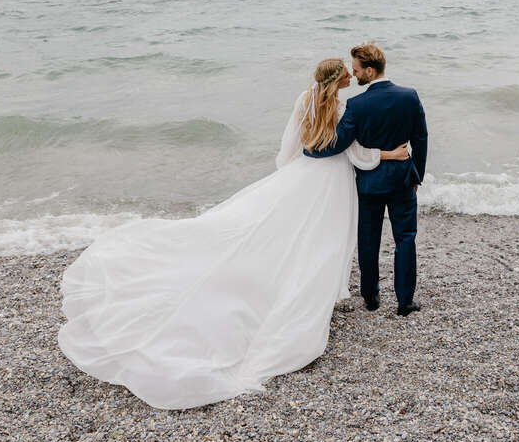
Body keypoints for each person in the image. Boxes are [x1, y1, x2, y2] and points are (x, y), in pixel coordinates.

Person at [57, 58, 410, 409]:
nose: (352, 75)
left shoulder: (305, 98)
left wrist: (289, 179)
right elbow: (354, 152)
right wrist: (390, 154)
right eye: (348, 73)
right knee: (323, 242)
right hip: (332, 180)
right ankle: (312, 294)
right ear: (340, 80)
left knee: (289, 235)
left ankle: (289, 284)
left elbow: (288, 146)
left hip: (305, 174)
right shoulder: (344, 106)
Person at [305, 44, 428, 317]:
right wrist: (417, 172)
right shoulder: (410, 96)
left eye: (358, 70)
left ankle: (370, 296)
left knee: (369, 239)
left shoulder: (357, 105)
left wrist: (309, 149)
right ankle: (405, 302)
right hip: (403, 180)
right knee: (406, 238)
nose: (355, 74)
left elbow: (338, 144)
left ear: (370, 71)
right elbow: (421, 137)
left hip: (369, 183)